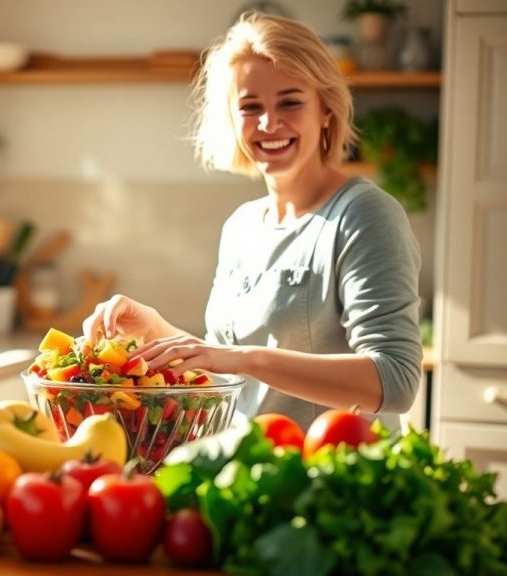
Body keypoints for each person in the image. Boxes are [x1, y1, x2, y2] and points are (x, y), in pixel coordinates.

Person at [82, 12, 422, 433]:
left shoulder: (364, 215)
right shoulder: (241, 226)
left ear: (326, 110)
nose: (268, 123)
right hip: (250, 472)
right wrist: (158, 332)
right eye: (250, 106)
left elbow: (396, 381)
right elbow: (224, 371)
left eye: (291, 102)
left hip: (335, 479)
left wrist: (243, 359)